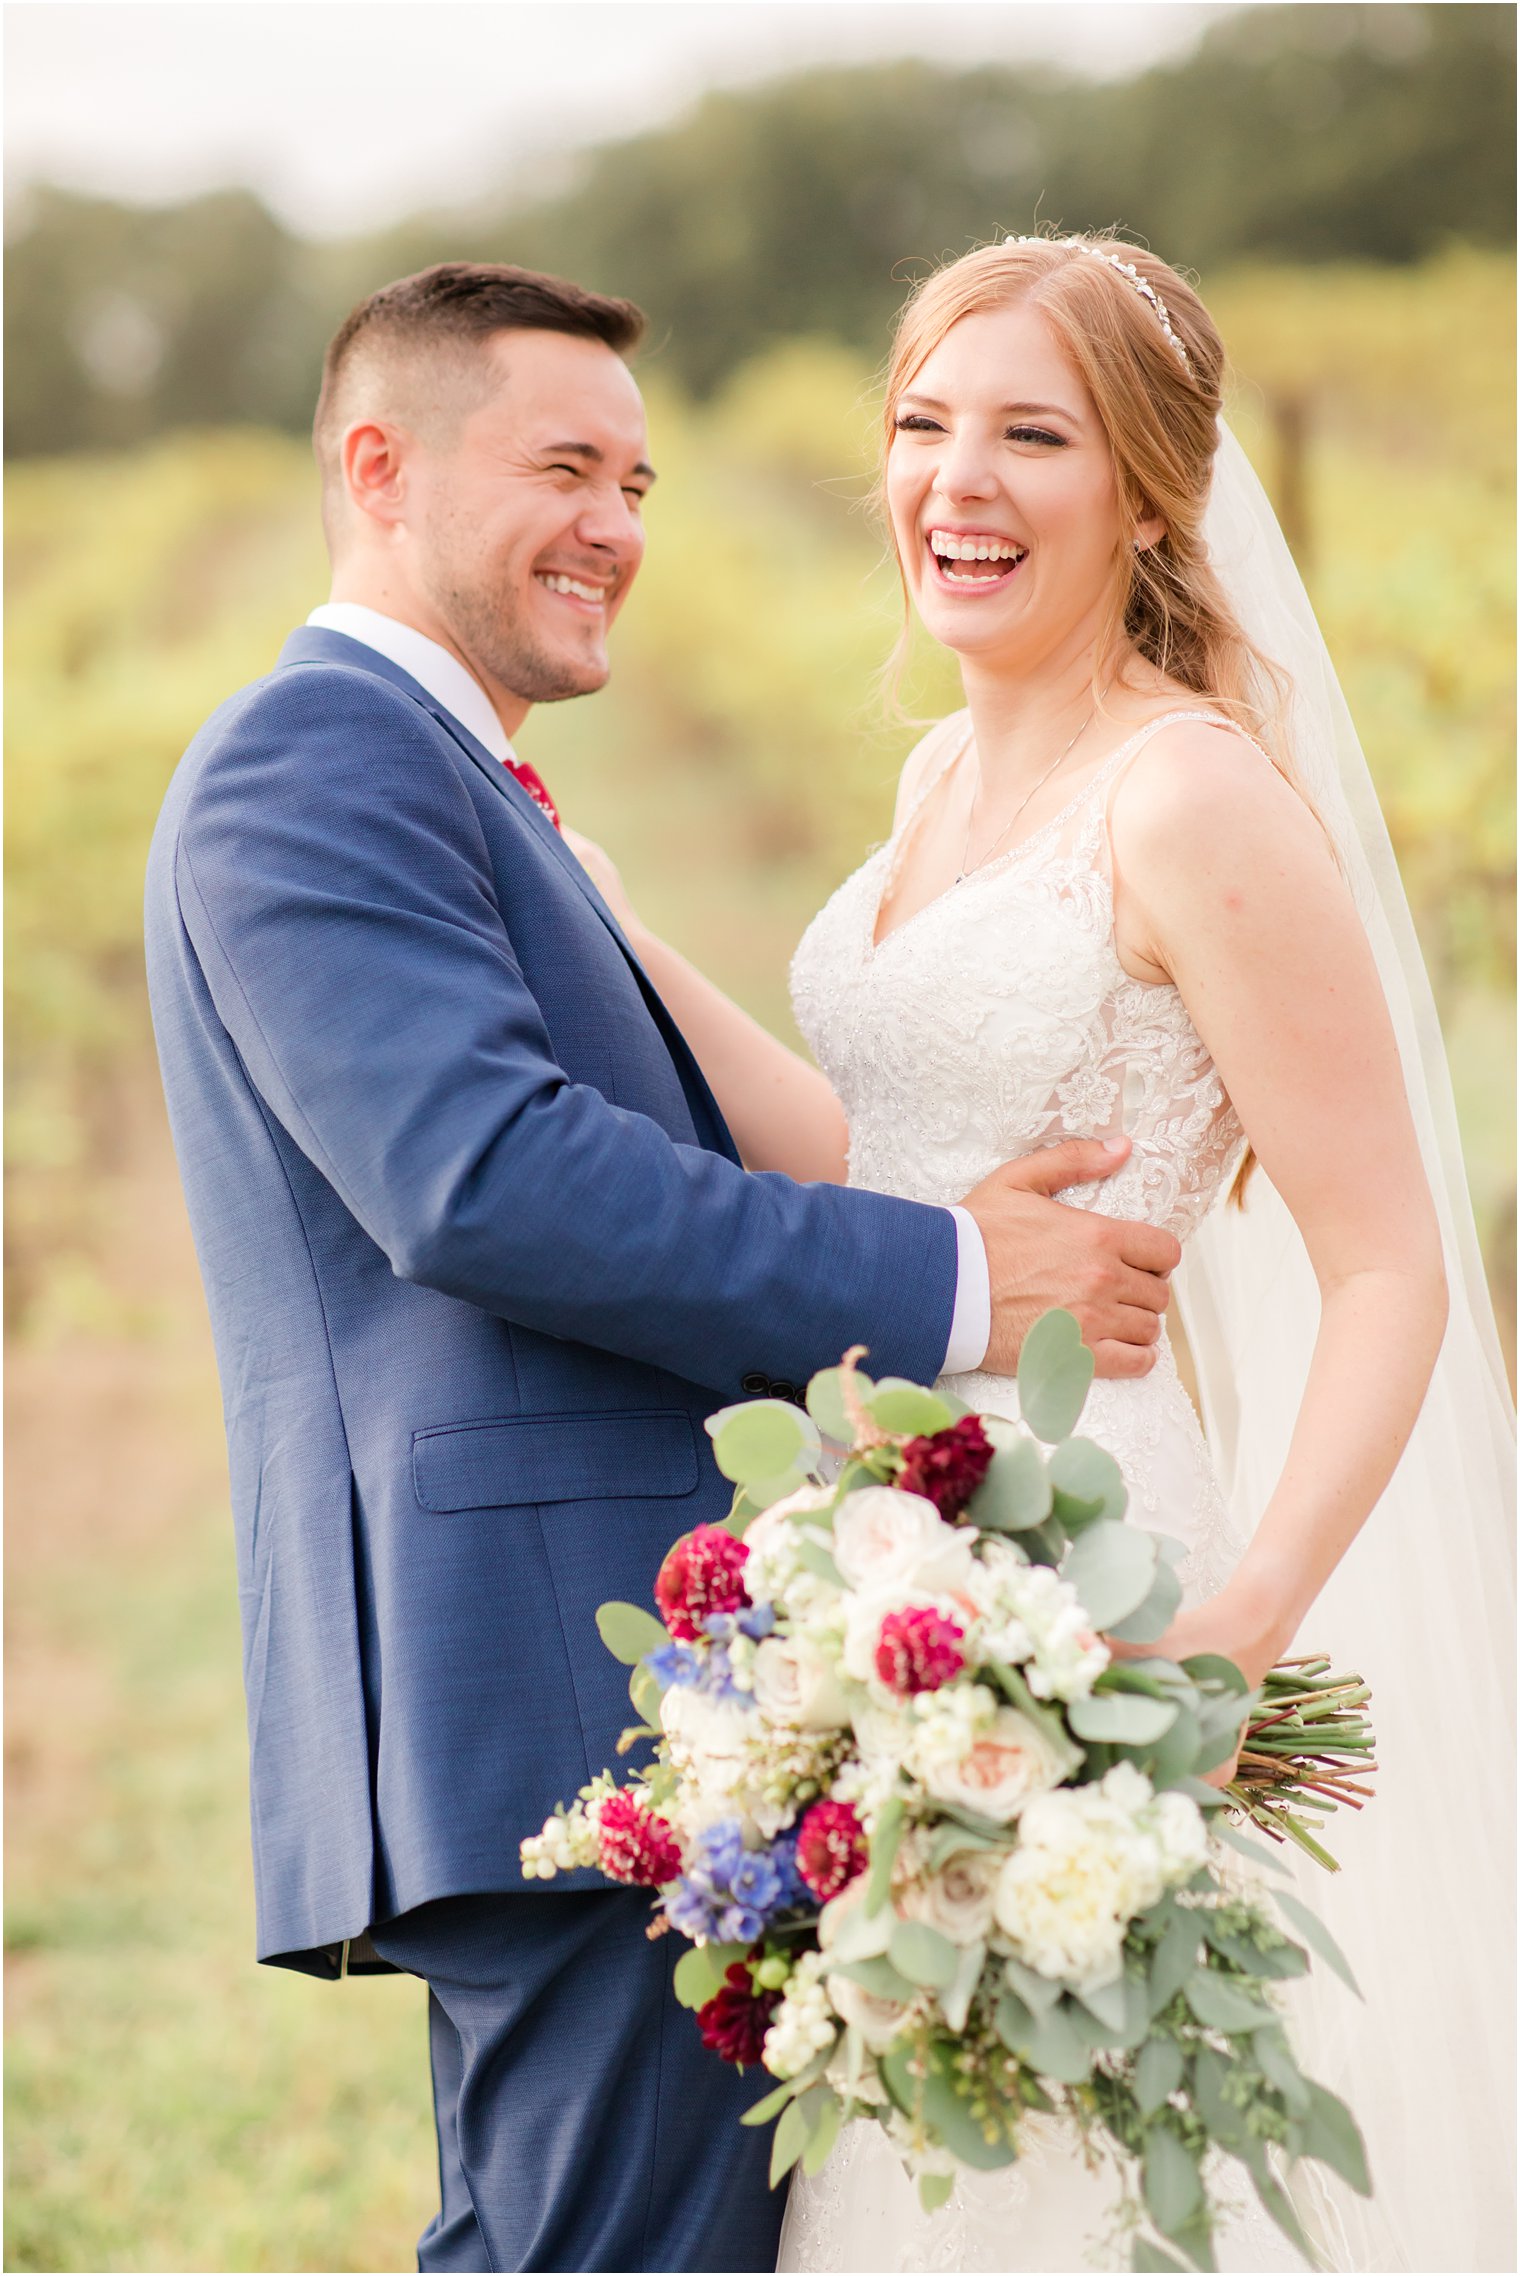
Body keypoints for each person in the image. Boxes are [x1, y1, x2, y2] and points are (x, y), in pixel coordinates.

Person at [143, 260, 1185, 2275]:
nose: (616, 526)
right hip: (544, 1695)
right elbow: (486, 1182)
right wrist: (961, 1278)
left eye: (638, 479)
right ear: (380, 467)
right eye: (562, 467)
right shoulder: (320, 758)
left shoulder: (446, 775)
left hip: (573, 1696)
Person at [577, 236, 1515, 2272]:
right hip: (884, 1572)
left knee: (1088, 2164)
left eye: (1032, 436)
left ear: (1152, 491)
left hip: (1098, 1577)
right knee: (929, 2151)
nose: (956, 481)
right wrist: (624, 942)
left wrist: (1246, 1613)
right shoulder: (941, 773)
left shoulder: (1187, 800)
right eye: (922, 426)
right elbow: (887, 1163)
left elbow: (1385, 1264)